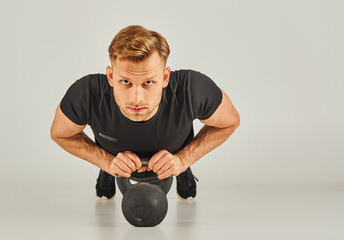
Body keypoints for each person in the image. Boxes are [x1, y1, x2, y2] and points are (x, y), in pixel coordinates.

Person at [50, 25, 240, 200]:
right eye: (125, 82)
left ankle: (182, 171)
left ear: (165, 77)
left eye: (148, 82)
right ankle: (108, 171)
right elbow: (60, 134)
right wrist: (107, 162)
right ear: (110, 76)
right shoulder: (87, 93)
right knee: (108, 169)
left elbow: (230, 121)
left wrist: (182, 159)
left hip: (175, 151)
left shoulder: (193, 89)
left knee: (181, 166)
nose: (136, 98)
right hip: (113, 153)